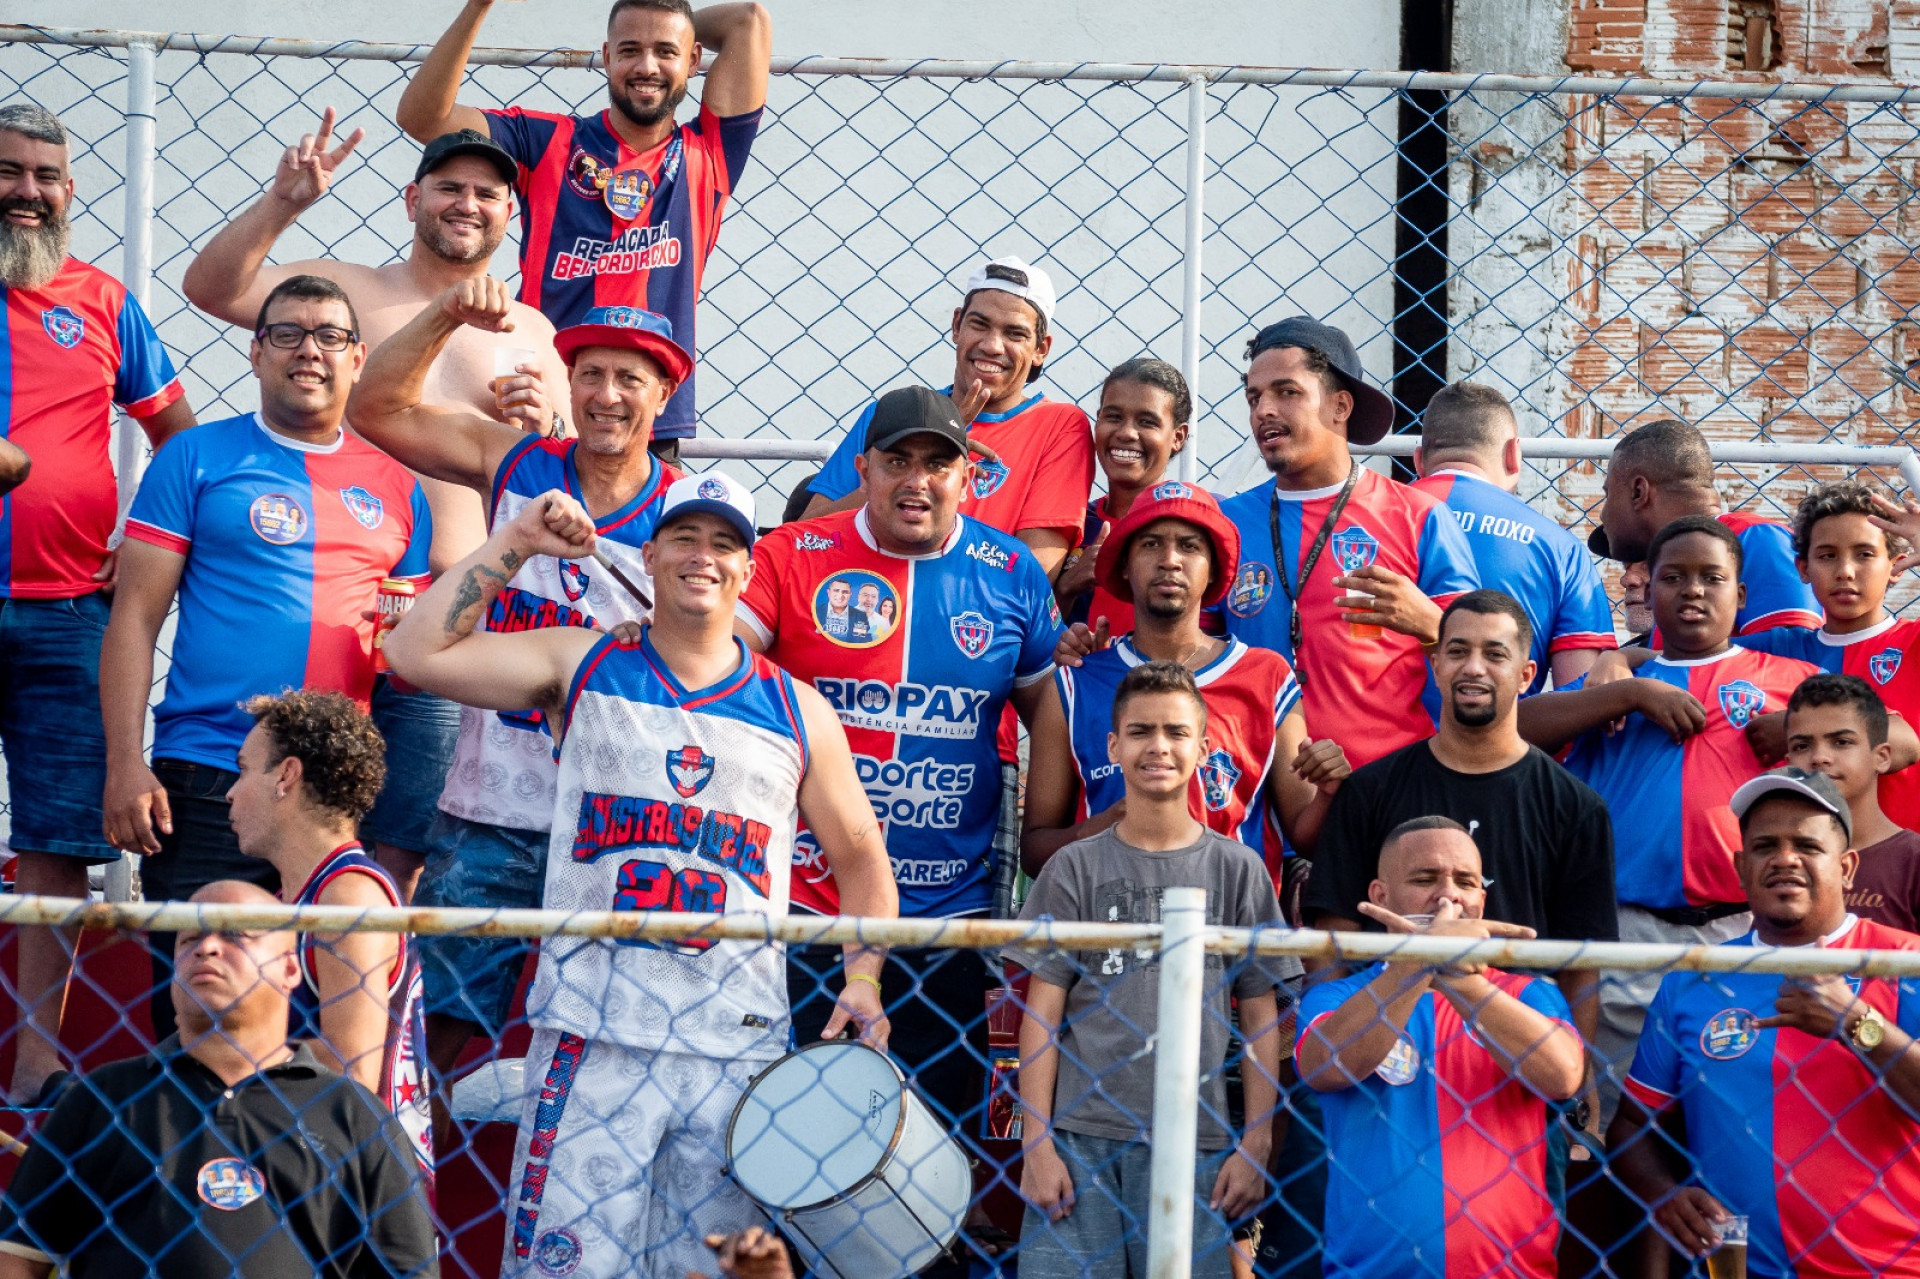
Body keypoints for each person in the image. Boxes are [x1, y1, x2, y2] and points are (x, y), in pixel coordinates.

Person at [384, 475, 897, 1279]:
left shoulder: (797, 708)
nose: (703, 557)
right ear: (650, 555)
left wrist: (861, 978)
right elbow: (412, 651)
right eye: (685, 538)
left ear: (746, 566)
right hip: (595, 1036)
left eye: (724, 543)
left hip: (737, 1046)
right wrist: (517, 539)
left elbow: (864, 859)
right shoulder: (583, 661)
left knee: (714, 1272)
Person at [184, 115, 571, 899]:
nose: (467, 203)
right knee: (284, 821)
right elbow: (212, 289)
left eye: (488, 193)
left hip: (450, 614)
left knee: (401, 847)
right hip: (331, 607)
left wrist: (545, 428)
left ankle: (365, 1013)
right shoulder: (351, 293)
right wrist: (283, 202)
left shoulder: (531, 329)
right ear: (411, 199)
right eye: (449, 187)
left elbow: (564, 479)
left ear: (510, 215)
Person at [347, 276, 686, 1110]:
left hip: (621, 817)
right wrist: (447, 314)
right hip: (495, 800)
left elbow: (723, 652)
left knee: (619, 1035)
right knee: (433, 1026)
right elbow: (376, 408)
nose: (608, 395)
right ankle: (389, 1174)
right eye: (592, 374)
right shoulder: (517, 460)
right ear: (568, 382)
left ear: (665, 391)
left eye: (630, 378)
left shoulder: (689, 515)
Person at [734, 384, 1062, 1237]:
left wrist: (1047, 840)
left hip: (943, 917)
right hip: (804, 907)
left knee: (927, 1156)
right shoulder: (792, 553)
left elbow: (1049, 718)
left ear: (969, 475)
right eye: (898, 461)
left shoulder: (1012, 573)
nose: (918, 480)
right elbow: (718, 665)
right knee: (789, 1148)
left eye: (938, 463)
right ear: (865, 469)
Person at [102, 275, 433, 1041]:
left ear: (357, 359)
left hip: (328, 798)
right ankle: (189, 1163)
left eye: (329, 336)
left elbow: (399, 650)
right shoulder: (194, 457)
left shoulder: (398, 487)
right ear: (255, 352)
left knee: (322, 1028)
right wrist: (126, 760)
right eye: (286, 332)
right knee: (197, 1010)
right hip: (210, 773)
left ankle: (298, 1165)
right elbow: (134, 619)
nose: (308, 349)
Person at [0, 103, 197, 1105]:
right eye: (10, 171)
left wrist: (142, 540)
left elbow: (181, 438)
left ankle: (36, 1062)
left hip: (71, 609)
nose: (28, 191)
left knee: (55, 843)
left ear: (71, 192)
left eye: (47, 174)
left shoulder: (103, 300)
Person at [1519, 515, 1821, 1102]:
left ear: (1741, 594)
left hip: (1747, 928)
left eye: (1712, 578)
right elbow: (1514, 729)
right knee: (1615, 1112)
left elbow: (1876, 731)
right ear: (1647, 588)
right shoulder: (1612, 687)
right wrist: (1628, 689)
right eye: (1673, 577)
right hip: (1626, 932)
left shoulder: (1792, 681)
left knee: (1740, 1105)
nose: (1692, 591)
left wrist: (1801, 725)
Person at [0, 881, 438, 1278]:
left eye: (234, 934)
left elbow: (408, 1272)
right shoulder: (101, 1101)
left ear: (290, 968)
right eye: (189, 938)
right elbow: (16, 1259)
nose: (206, 947)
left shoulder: (353, 1115)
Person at [395, 0, 772, 459]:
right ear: (607, 56)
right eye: (630, 49)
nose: (647, 66)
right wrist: (480, 6)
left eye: (666, 52)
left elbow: (748, 19)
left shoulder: (710, 152)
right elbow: (423, 120)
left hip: (648, 417)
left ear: (694, 60)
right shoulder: (547, 139)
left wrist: (669, 26)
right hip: (544, 402)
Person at [1014, 661, 1293, 1279]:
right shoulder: (1073, 868)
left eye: (1175, 731)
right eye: (1140, 732)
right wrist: (1036, 1143)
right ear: (1113, 747)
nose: (1158, 746)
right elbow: (1042, 1013)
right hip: (1081, 1136)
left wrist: (1257, 1141)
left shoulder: (1237, 869)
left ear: (1202, 745)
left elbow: (1259, 1014)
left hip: (1199, 1141)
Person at [1609, 767, 1920, 1278]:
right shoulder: (1695, 980)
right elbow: (1631, 1126)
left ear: (1846, 867)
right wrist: (1662, 1194)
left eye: (1806, 845)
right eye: (1765, 846)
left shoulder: (1905, 962)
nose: (1784, 859)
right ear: (1740, 866)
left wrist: (1857, 1022)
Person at [1302, 590, 1616, 1031]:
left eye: (1494, 654)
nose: (1473, 667)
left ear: (1526, 675)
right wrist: (1334, 1039)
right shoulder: (1369, 790)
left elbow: (1582, 964)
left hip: (1516, 1043)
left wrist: (1579, 1085)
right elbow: (1332, 939)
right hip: (1390, 1037)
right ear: (1436, 666)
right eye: (1457, 651)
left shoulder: (1576, 808)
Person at [1296, 817, 1582, 1279]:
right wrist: (1420, 963)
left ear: (1482, 902)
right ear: (1380, 897)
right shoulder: (1336, 997)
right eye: (1425, 879)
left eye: (1465, 882)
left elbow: (1564, 1076)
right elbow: (1324, 1067)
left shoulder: (1529, 993)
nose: (1449, 896)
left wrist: (1460, 981)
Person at [1026, 481, 1351, 874]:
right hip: (1106, 920)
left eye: (1189, 546)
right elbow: (1035, 851)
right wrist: (1109, 825)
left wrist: (1331, 795)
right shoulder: (1076, 683)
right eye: (1150, 544)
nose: (1170, 560)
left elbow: (1305, 834)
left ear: (1213, 567)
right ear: (1124, 566)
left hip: (1228, 925)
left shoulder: (1267, 678)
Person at [1216, 316, 1479, 770]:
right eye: (1254, 397)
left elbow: (1482, 656)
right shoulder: (1225, 524)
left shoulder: (1419, 517)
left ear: (1340, 406)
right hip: (1255, 795)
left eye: (1287, 392)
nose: (1263, 410)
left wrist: (1432, 624)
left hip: (1388, 792)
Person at [228, 690, 432, 1170]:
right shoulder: (291, 901)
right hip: (301, 1164)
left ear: (286, 776)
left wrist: (222, 1056)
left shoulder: (348, 895)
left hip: (357, 1194)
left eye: (243, 770)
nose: (230, 791)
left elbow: (352, 1065)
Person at [803, 257, 1096, 582]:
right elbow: (804, 538)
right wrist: (929, 438)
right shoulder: (890, 414)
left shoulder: (1060, 426)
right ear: (957, 325)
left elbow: (1032, 576)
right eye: (979, 324)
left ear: (1041, 348)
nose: (991, 345)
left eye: (1014, 334)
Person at [1731, 480, 1920, 826]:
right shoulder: (1780, 647)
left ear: (1896, 565)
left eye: (1864, 554)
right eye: (1827, 555)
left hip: (1906, 858)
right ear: (1803, 568)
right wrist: (1618, 659)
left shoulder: (1913, 641)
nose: (1845, 571)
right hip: (1812, 856)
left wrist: (1795, 728)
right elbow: (1688, 660)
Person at [1411, 381, 1615, 691]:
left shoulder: (1366, 522)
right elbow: (1583, 694)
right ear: (1513, 454)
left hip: (1371, 736)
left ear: (1418, 460)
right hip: (1508, 735)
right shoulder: (1558, 547)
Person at [1586, 416, 1818, 635]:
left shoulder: (1756, 538)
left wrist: (1634, 658)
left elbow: (1794, 654)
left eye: (1608, 495)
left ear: (1639, 492)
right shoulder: (1673, 567)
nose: (1604, 515)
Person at [1052, 357, 1193, 630]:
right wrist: (1067, 587)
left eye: (1147, 422)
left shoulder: (1200, 524)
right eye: (1113, 417)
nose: (1127, 433)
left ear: (1178, 437)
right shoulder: (1072, 525)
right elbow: (1034, 640)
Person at [1785, 674, 1920, 931]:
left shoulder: (1912, 862)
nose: (1819, 757)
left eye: (1841, 742)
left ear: (1882, 757)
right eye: (1802, 746)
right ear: (1788, 760)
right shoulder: (1779, 861)